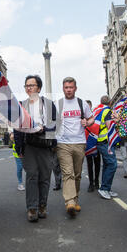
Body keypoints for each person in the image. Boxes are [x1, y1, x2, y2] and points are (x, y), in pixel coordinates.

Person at [13, 75, 57, 222]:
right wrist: (19, 148)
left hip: (45, 145)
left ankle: (42, 205)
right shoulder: (21, 105)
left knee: (44, 177)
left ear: (38, 87)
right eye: (26, 86)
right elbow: (17, 128)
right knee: (32, 176)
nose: (29, 88)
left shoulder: (48, 104)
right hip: (29, 145)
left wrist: (43, 130)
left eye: (31, 85)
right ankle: (32, 208)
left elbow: (55, 125)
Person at [55, 77, 94, 217]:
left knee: (77, 174)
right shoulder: (58, 104)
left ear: (75, 88)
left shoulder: (81, 103)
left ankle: (75, 199)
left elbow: (91, 118)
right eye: (66, 87)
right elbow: (50, 122)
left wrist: (87, 122)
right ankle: (69, 201)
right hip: (63, 143)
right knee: (68, 173)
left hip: (79, 142)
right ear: (63, 88)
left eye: (71, 87)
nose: (69, 89)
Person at [95, 95, 119, 200]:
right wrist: (118, 120)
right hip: (106, 142)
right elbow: (110, 126)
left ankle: (106, 188)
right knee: (112, 164)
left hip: (100, 141)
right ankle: (104, 188)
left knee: (107, 165)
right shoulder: (108, 111)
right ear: (110, 102)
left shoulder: (99, 110)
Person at [85, 100, 101, 192]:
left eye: (88, 105)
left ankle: (96, 181)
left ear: (90, 106)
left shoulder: (95, 116)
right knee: (90, 164)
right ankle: (91, 183)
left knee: (97, 163)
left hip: (97, 142)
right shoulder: (83, 117)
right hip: (88, 144)